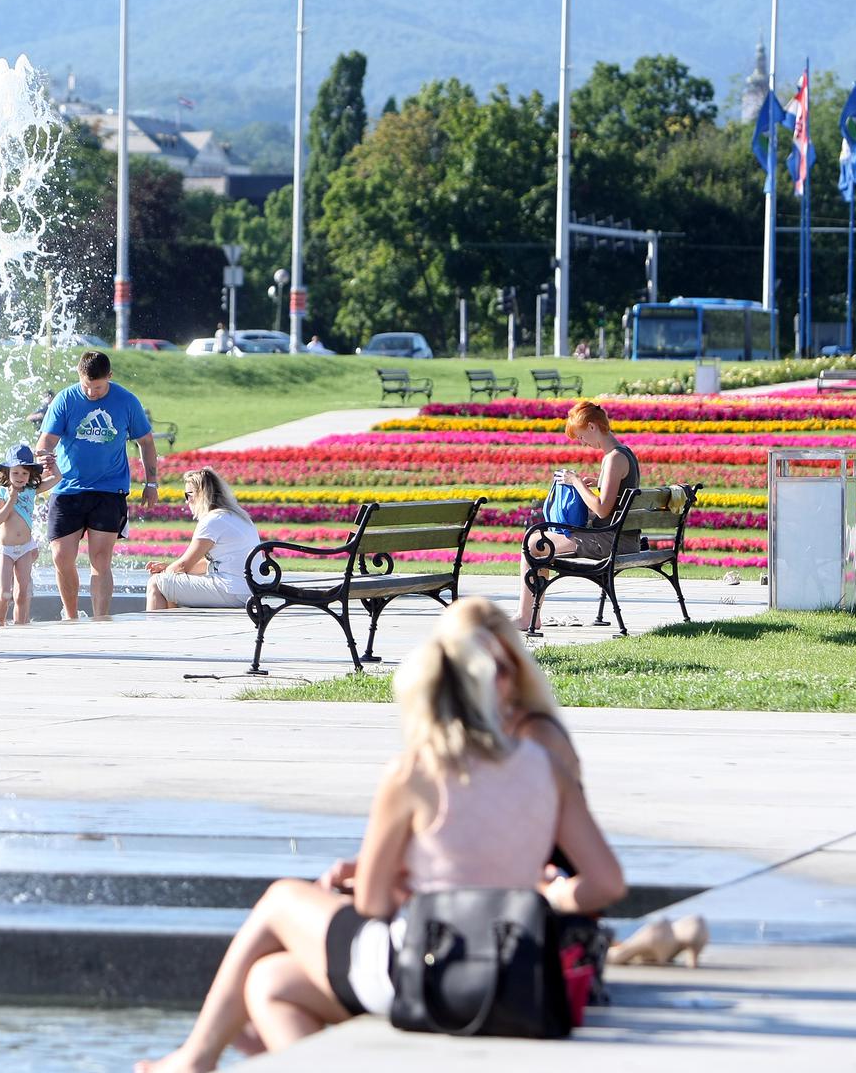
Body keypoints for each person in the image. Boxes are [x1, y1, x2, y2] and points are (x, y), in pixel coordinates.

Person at [135, 599, 626, 1071]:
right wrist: (549, 894)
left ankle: (195, 1059)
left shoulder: (414, 771)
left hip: (427, 960)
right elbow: (606, 882)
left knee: (282, 898)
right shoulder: (545, 765)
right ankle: (203, 1055)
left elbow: (372, 903)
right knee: (268, 982)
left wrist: (399, 882)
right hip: (510, 961)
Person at [35, 351, 158, 620]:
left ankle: (100, 619)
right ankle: (71, 616)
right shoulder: (66, 399)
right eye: (86, 386)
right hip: (68, 488)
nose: (91, 393)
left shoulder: (126, 401)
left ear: (109, 377)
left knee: (101, 560)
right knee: (61, 557)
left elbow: (146, 442)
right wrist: (43, 458)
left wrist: (151, 482)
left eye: (99, 387)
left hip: (109, 489)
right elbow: (46, 440)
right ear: (79, 376)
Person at [514, 399, 641, 631]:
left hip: (612, 542)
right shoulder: (625, 453)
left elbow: (602, 509)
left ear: (592, 426)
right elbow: (611, 505)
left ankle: (526, 617)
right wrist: (596, 484)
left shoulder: (614, 458)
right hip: (622, 538)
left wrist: (576, 482)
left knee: (532, 544)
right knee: (539, 542)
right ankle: (530, 616)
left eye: (581, 436)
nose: (582, 443)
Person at [146, 467, 262, 610]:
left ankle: (154, 625)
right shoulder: (236, 516)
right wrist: (168, 568)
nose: (187, 501)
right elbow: (206, 564)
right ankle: (171, 623)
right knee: (169, 582)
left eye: (188, 495)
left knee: (156, 583)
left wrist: (165, 572)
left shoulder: (212, 520)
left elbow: (184, 566)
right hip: (248, 590)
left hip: (232, 591)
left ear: (201, 494)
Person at [0, 443, 59, 626]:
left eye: (24, 473)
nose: (20, 477)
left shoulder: (31, 490)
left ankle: (20, 626)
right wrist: (11, 499)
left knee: (22, 592)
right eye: (16, 472)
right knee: (5, 592)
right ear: (7, 472)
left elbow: (57, 477)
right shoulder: (1, 491)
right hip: (5, 550)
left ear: (30, 475)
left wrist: (51, 462)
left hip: (25, 549)